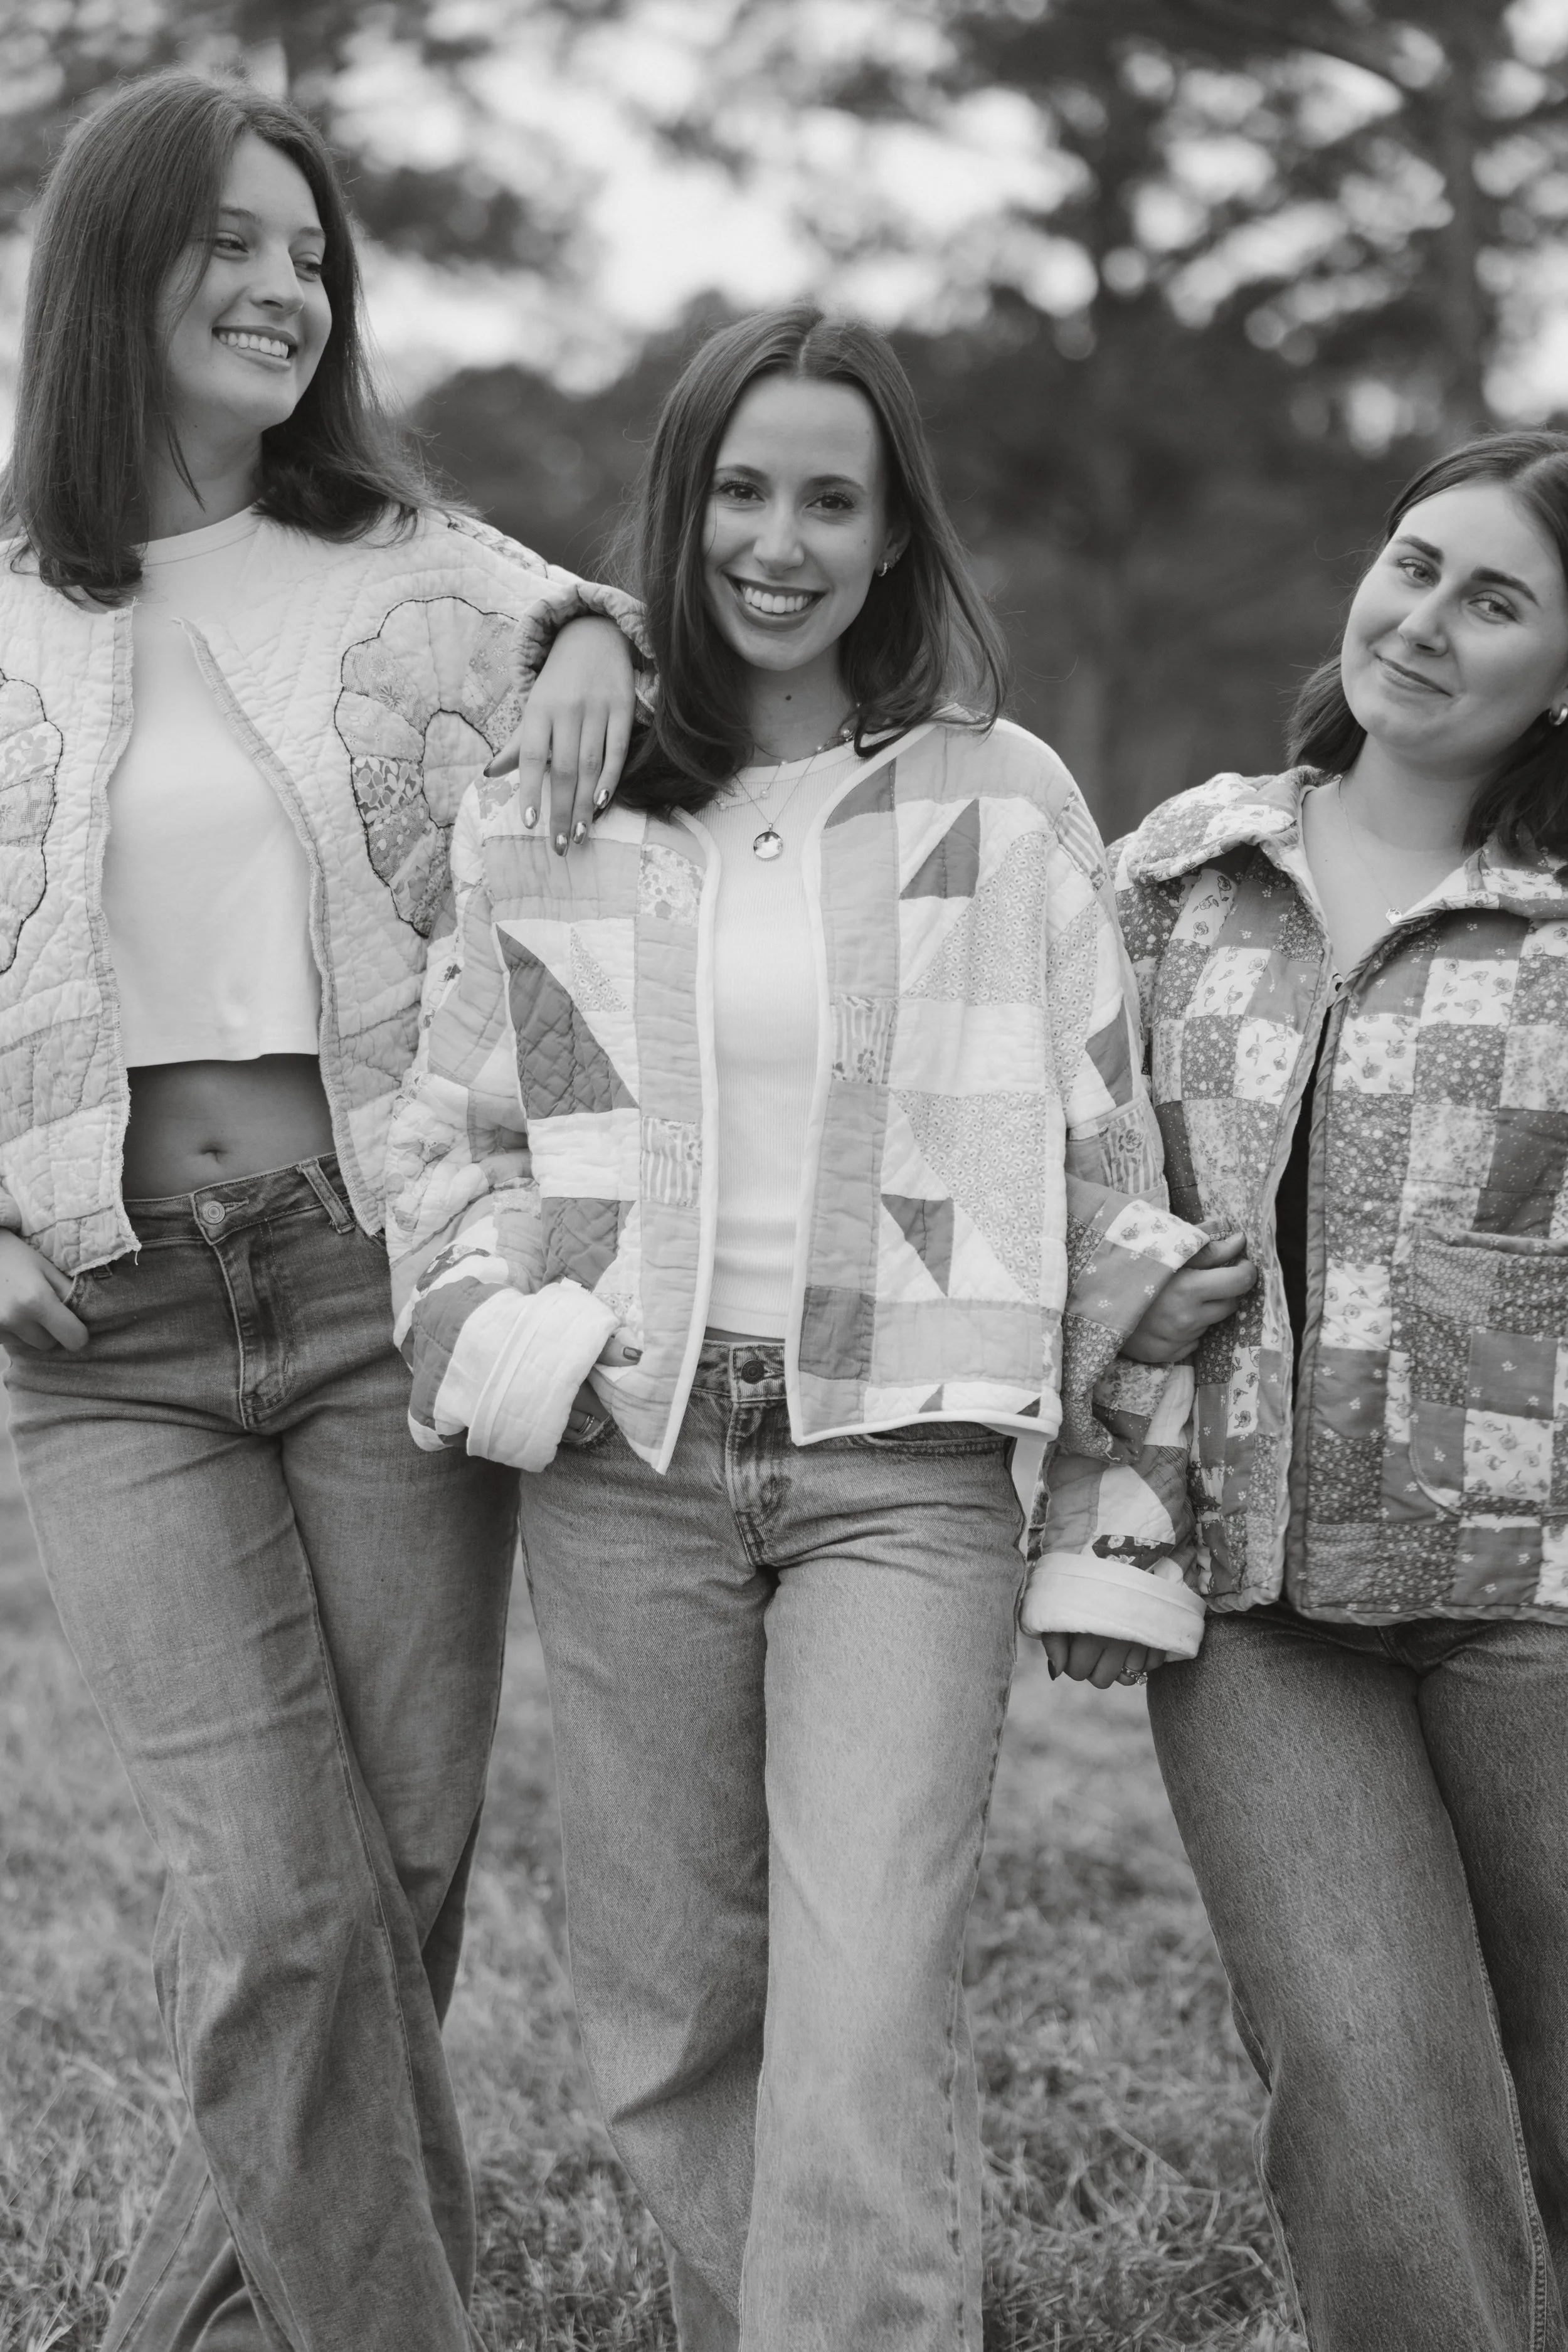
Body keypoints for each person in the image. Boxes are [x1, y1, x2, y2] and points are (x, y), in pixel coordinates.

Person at [385, 303, 1241, 2352]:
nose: (780, 539)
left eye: (830, 499)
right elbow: (441, 1125)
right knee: (672, 2013)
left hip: (903, 1471)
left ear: (889, 536)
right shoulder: (556, 796)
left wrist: (1127, 1415)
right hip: (629, 1460)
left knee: (863, 2006)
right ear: (683, 512)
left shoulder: (997, 796)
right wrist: (525, 1336)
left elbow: (1098, 1128)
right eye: (744, 489)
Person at [0, 69, 642, 2352]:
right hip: (113, 1338)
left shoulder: (410, 575)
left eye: (312, 252)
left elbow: (606, 622)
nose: (287, 287)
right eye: (235, 243)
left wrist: (595, 639)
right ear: (113, 264)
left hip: (385, 1292)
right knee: (292, 1900)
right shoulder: (5, 610)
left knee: (399, 1879)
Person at [1054, 429, 1568, 2351]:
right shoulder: (1180, 871)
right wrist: (1130, 1288)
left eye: (1494, 598)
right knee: (1370, 2088)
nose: (1422, 621)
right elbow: (1048, 1150)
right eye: (1412, 564)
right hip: (1253, 1598)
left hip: (1537, 1597)